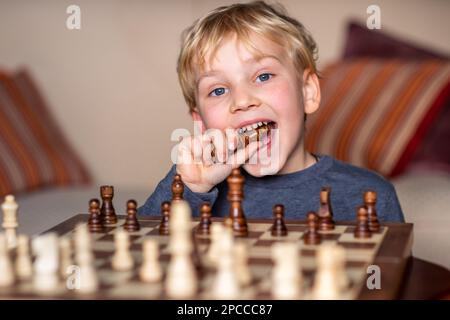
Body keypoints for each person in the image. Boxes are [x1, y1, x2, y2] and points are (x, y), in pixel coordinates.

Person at [138, 1, 404, 222]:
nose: (242, 100)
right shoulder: (193, 191)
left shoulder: (370, 196)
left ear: (308, 92)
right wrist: (189, 188)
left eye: (263, 76)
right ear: (201, 123)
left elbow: (390, 281)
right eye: (218, 90)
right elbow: (130, 259)